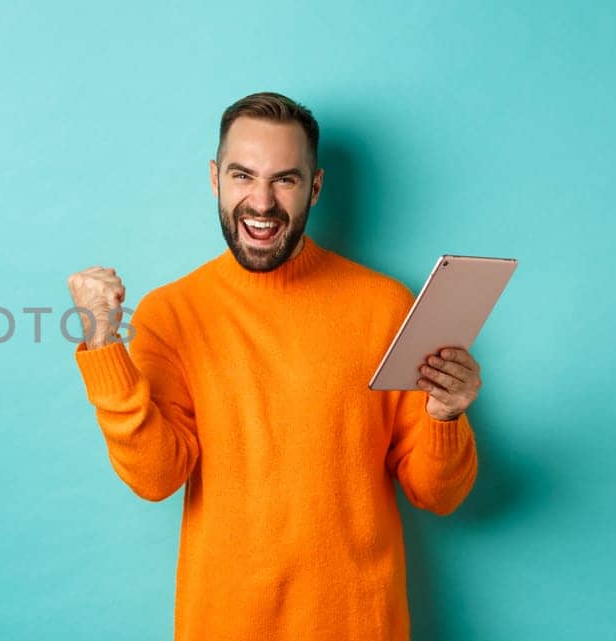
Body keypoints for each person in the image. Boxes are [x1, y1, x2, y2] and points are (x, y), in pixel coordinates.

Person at [66, 92, 481, 641]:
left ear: (315, 187)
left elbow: (439, 495)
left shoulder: (386, 307)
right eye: (243, 176)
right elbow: (156, 478)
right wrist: (102, 345)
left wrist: (446, 414)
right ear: (215, 179)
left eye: (285, 180)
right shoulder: (173, 314)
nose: (261, 202)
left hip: (361, 626)